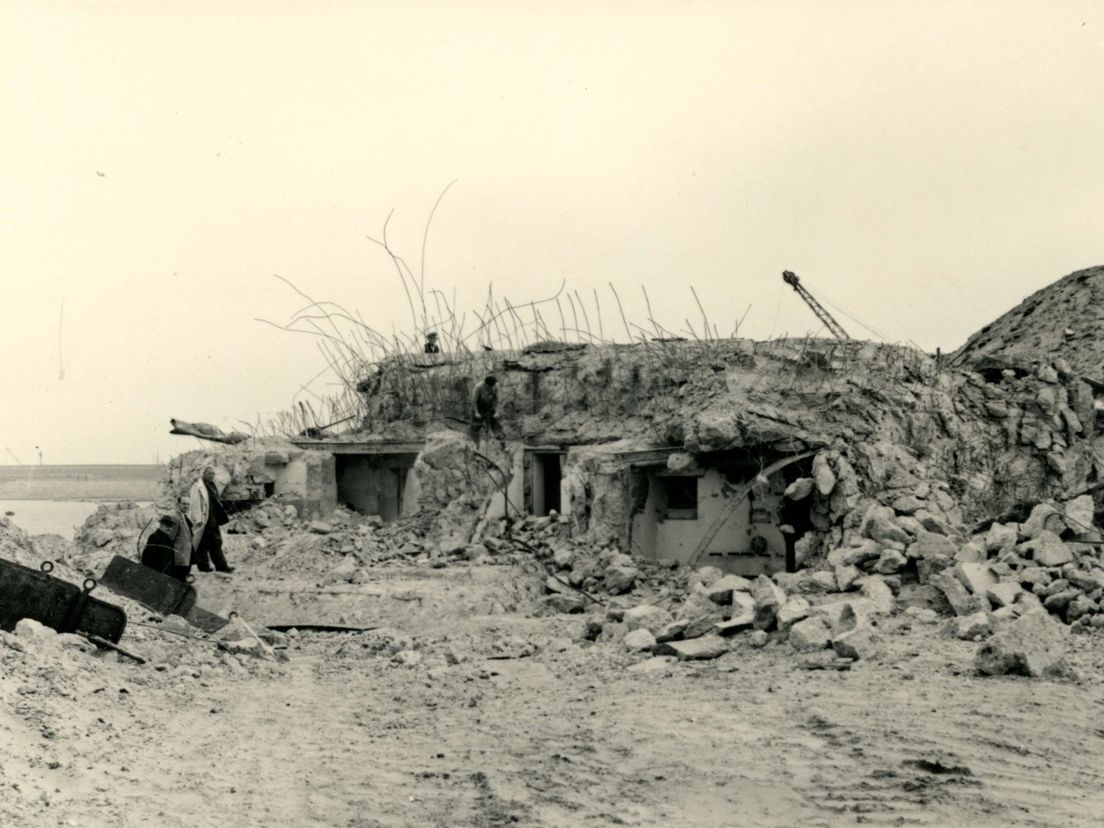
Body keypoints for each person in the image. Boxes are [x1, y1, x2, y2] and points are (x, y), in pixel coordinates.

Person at [186, 466, 234, 573]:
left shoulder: (212, 485)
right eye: (210, 474)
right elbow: (194, 504)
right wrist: (199, 520)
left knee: (216, 542)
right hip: (204, 520)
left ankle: (221, 566)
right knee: (203, 544)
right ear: (204, 474)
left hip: (212, 520)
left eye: (213, 474)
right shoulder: (197, 487)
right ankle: (204, 566)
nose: (212, 476)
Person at [141, 513, 192, 582]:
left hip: (166, 576)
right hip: (157, 576)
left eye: (171, 526)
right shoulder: (155, 537)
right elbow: (146, 559)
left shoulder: (168, 540)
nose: (169, 528)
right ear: (161, 524)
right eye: (167, 525)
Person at [470, 375, 505, 445]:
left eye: (492, 386)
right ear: (485, 384)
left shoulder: (496, 386)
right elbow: (474, 401)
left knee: (496, 423)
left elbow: (499, 400)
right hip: (479, 407)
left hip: (490, 407)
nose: (490, 388)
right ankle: (474, 443)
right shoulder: (478, 387)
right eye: (489, 386)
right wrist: (476, 413)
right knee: (475, 426)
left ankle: (501, 440)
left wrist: (497, 412)